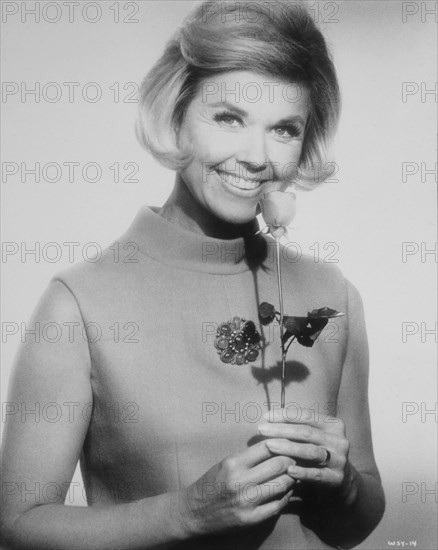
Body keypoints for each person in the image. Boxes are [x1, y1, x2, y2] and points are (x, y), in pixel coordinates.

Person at [0, 1, 385, 549]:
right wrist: (189, 512)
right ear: (176, 112)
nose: (255, 156)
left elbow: (357, 523)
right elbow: (17, 526)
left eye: (283, 129)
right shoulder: (80, 303)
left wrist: (344, 485)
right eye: (229, 118)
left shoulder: (331, 296)